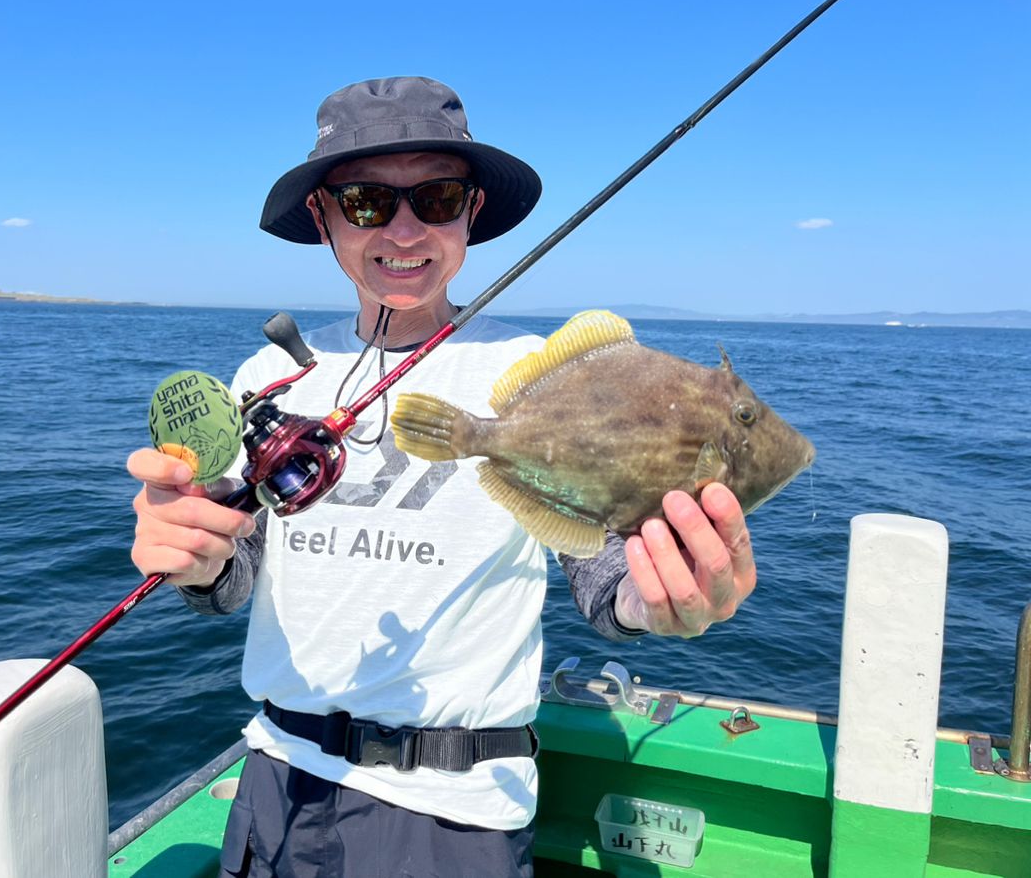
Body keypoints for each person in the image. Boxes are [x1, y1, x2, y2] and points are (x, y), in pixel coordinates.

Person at [126, 77, 757, 878]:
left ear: (471, 214)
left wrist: (662, 598)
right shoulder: (269, 375)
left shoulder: (535, 370)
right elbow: (235, 571)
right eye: (364, 202)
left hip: (459, 811)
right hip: (279, 778)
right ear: (322, 218)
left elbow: (602, 579)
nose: (403, 229)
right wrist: (193, 553)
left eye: (437, 197)